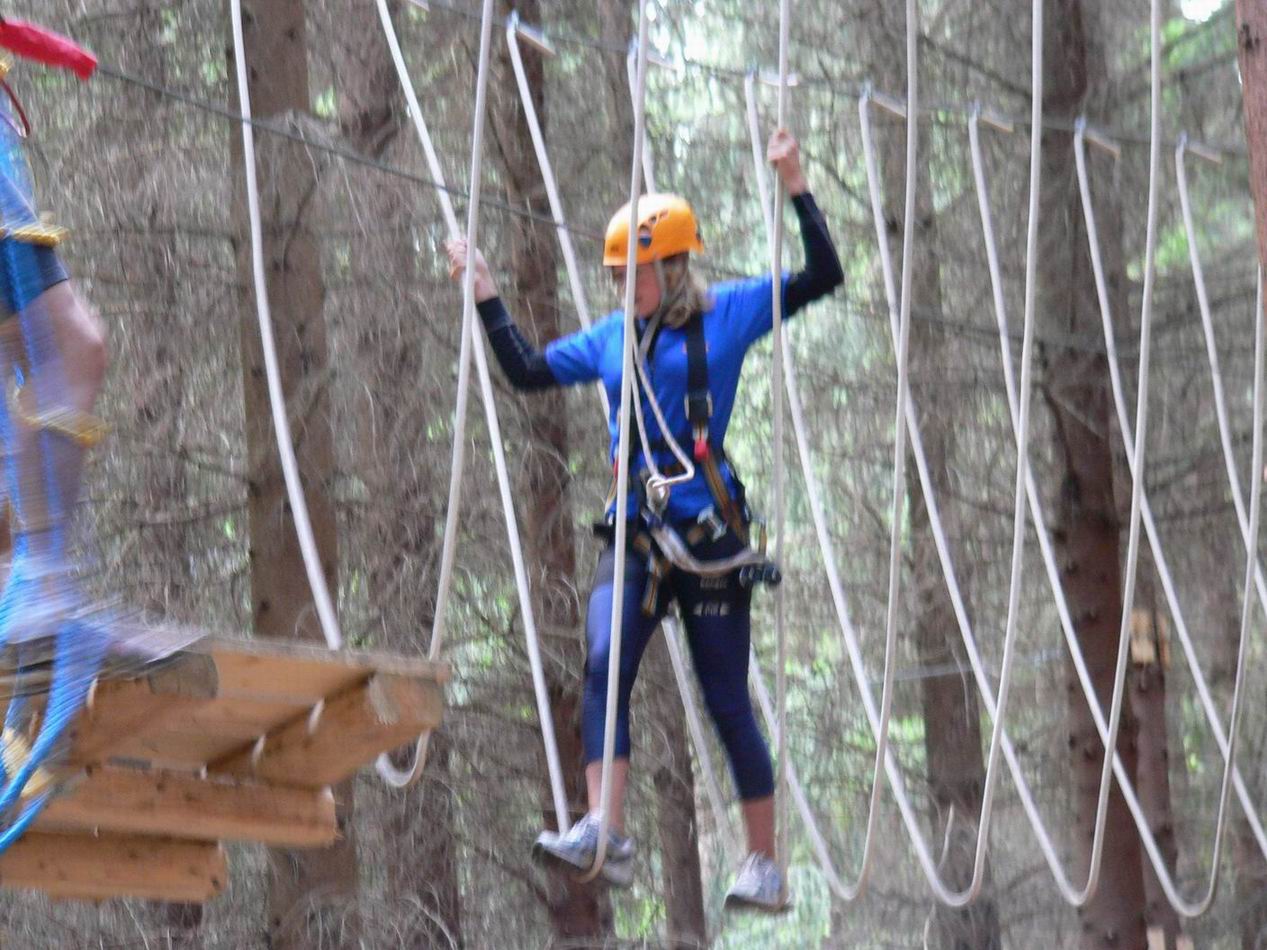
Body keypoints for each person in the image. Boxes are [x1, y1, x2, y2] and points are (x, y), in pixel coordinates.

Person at [444, 128, 842, 912]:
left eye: (636, 273)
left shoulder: (730, 314)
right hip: (635, 532)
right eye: (617, 275)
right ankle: (605, 828)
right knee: (603, 662)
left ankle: (763, 864)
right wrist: (485, 293)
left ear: (673, 267)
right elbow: (527, 370)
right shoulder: (608, 340)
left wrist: (795, 184)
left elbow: (822, 275)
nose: (624, 286)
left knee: (726, 699)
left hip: (710, 541)